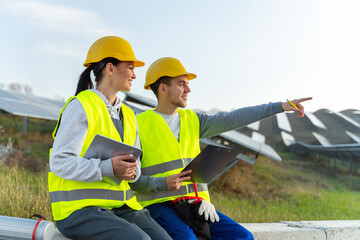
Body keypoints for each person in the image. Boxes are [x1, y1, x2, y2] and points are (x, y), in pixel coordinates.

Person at [130, 57, 312, 240]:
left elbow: (233, 118)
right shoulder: (138, 124)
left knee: (243, 237)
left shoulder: (193, 120)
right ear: (163, 88)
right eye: (182, 84)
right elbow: (133, 179)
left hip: (196, 204)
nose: (188, 89)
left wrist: (279, 107)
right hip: (160, 207)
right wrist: (162, 183)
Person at [48, 36, 172, 240]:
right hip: (79, 211)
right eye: (130, 67)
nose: (134, 75)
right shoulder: (81, 106)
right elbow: (59, 162)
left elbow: (136, 165)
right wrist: (108, 168)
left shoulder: (130, 116)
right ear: (110, 68)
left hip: (119, 208)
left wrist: (132, 171)